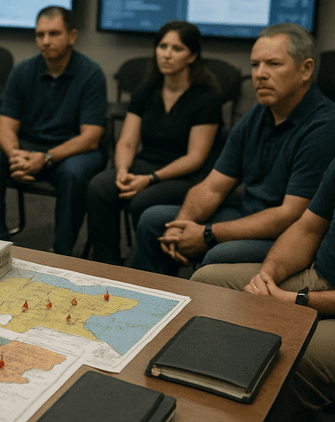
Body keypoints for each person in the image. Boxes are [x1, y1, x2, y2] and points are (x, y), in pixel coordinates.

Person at [131, 23, 335, 276]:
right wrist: (180, 225)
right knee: (154, 221)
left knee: (219, 254)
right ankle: (154, 302)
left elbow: (291, 215)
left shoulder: (324, 126)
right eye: (255, 65)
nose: (260, 74)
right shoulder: (256, 116)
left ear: (305, 70)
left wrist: (207, 233)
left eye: (273, 64)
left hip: (288, 235)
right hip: (246, 213)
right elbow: (212, 186)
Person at [191, 157, 335, 420]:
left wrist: (297, 300)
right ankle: (203, 397)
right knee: (206, 283)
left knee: (294, 355)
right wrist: (266, 277)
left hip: (316, 296)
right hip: (321, 275)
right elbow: (308, 229)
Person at [0, 6, 107, 256]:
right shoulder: (23, 70)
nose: (45, 41)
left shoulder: (91, 73)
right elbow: (5, 126)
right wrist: (14, 155)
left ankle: (61, 251)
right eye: (40, 34)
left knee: (73, 175)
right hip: (27, 146)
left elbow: (91, 137)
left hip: (73, 150)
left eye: (53, 33)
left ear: (72, 36)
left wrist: (45, 158)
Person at [86, 21, 223, 265]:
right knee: (100, 186)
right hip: (144, 166)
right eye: (162, 46)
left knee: (144, 200)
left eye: (176, 48)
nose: (167, 54)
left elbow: (195, 158)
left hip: (186, 176)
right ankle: (107, 264)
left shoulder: (207, 98)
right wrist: (122, 171)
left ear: (192, 56)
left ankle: (150, 271)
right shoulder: (146, 90)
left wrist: (150, 179)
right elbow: (127, 142)